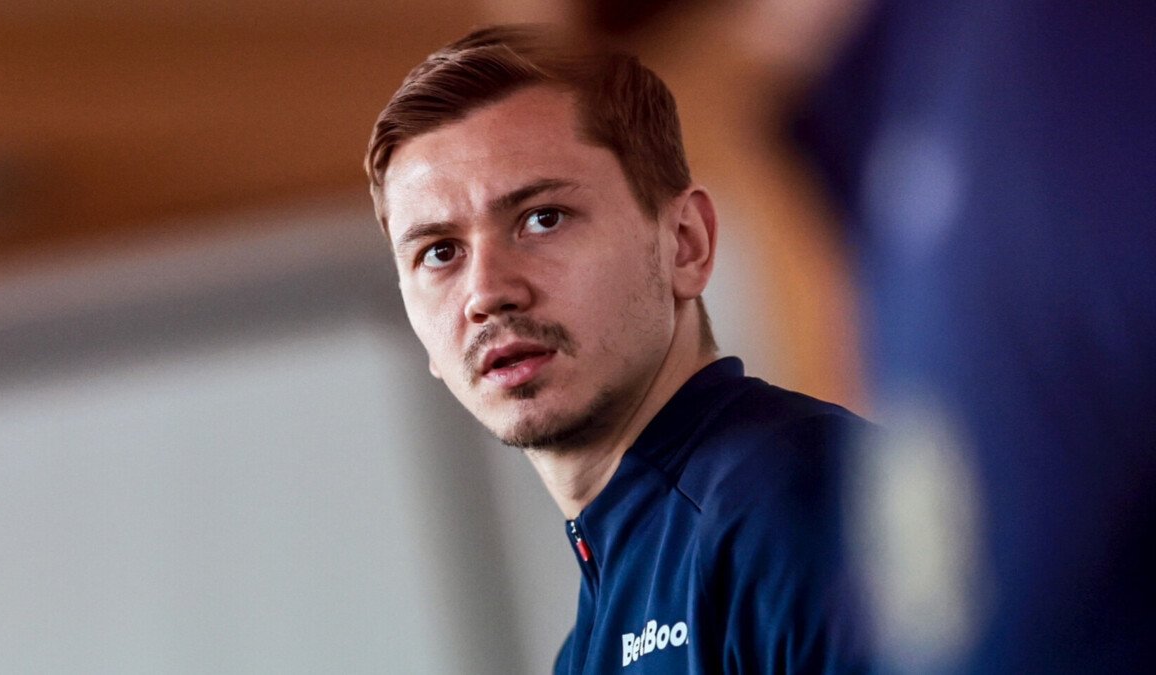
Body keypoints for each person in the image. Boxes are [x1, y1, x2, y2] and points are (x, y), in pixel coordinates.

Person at [365, 25, 871, 674]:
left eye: (542, 218)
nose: (487, 293)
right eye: (439, 253)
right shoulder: (583, 650)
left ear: (685, 244)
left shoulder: (799, 501)